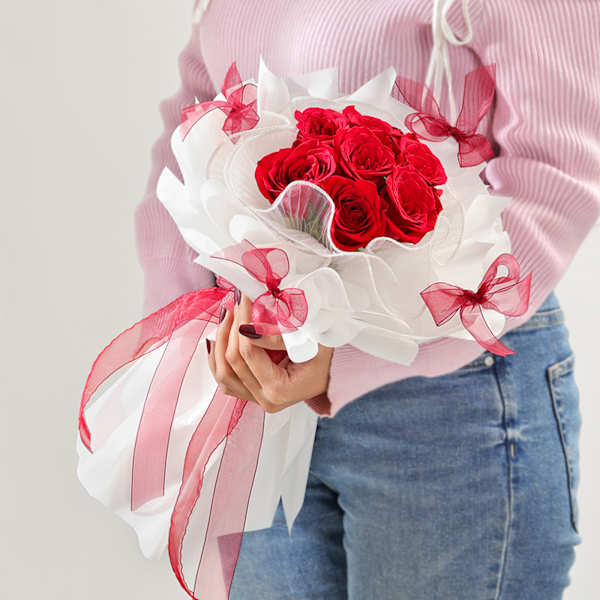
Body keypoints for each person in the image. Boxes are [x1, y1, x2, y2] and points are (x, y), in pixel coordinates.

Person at [135, 1, 600, 597]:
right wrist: (197, 331)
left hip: (447, 397)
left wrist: (354, 360)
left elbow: (556, 177)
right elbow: (192, 131)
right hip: (252, 393)